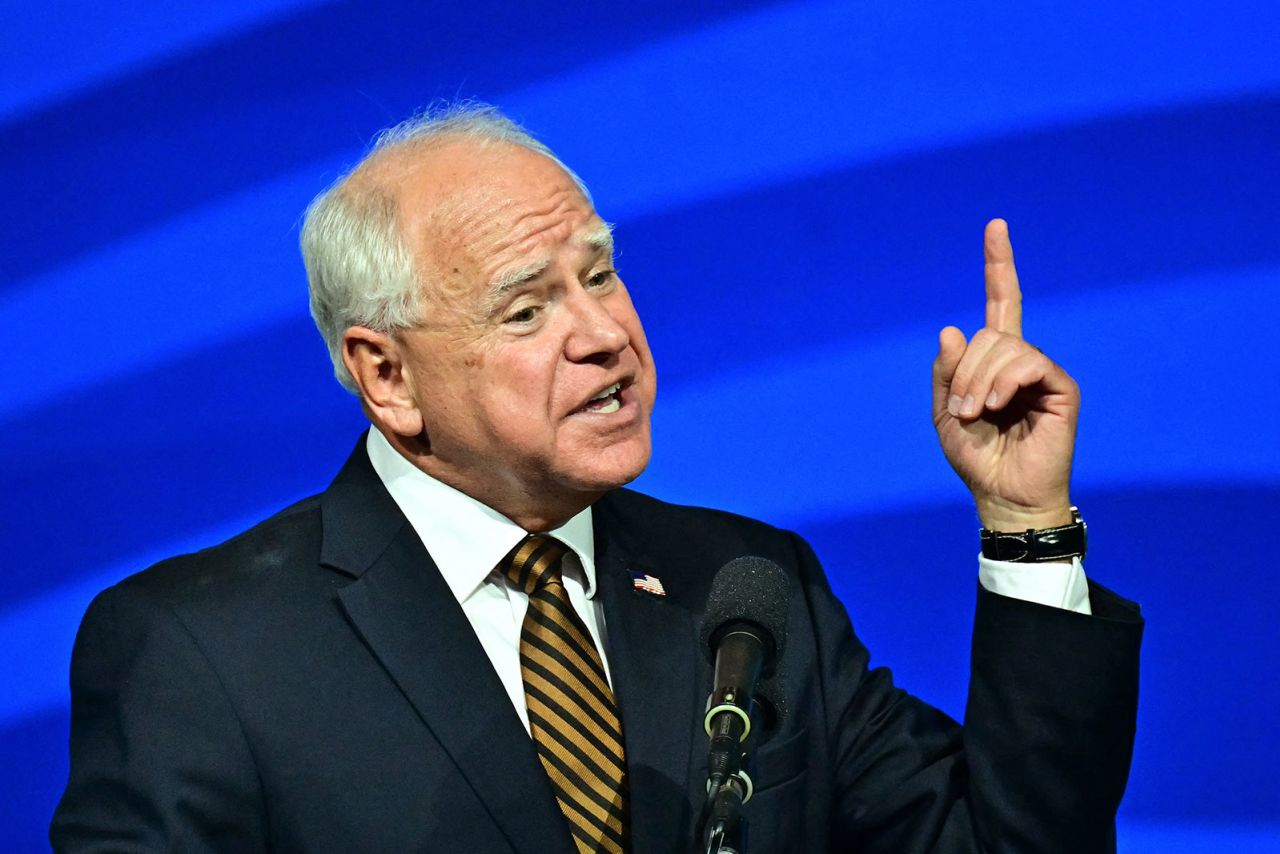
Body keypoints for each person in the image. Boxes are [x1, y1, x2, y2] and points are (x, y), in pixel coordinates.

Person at [51, 103, 1141, 853]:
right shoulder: (202, 651)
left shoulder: (746, 589)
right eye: (526, 309)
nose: (604, 334)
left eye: (601, 274)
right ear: (386, 375)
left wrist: (1024, 521)